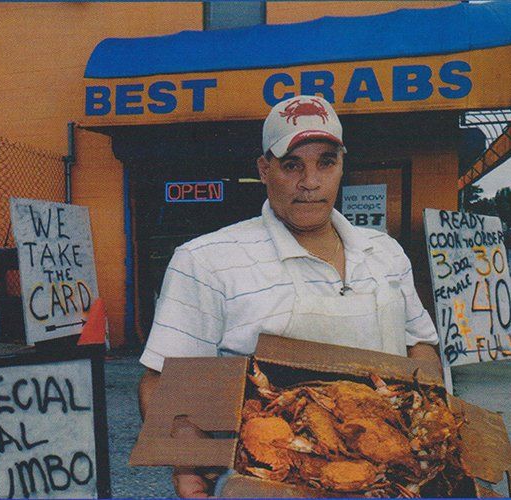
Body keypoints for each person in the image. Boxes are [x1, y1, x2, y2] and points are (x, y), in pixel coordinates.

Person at [137, 95, 440, 497]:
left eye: (326, 162)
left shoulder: (383, 251)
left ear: (341, 167)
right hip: (270, 479)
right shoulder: (207, 260)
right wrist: (189, 461)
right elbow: (163, 380)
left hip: (387, 478)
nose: (310, 182)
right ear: (265, 170)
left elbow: (420, 344)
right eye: (292, 164)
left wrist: (430, 429)